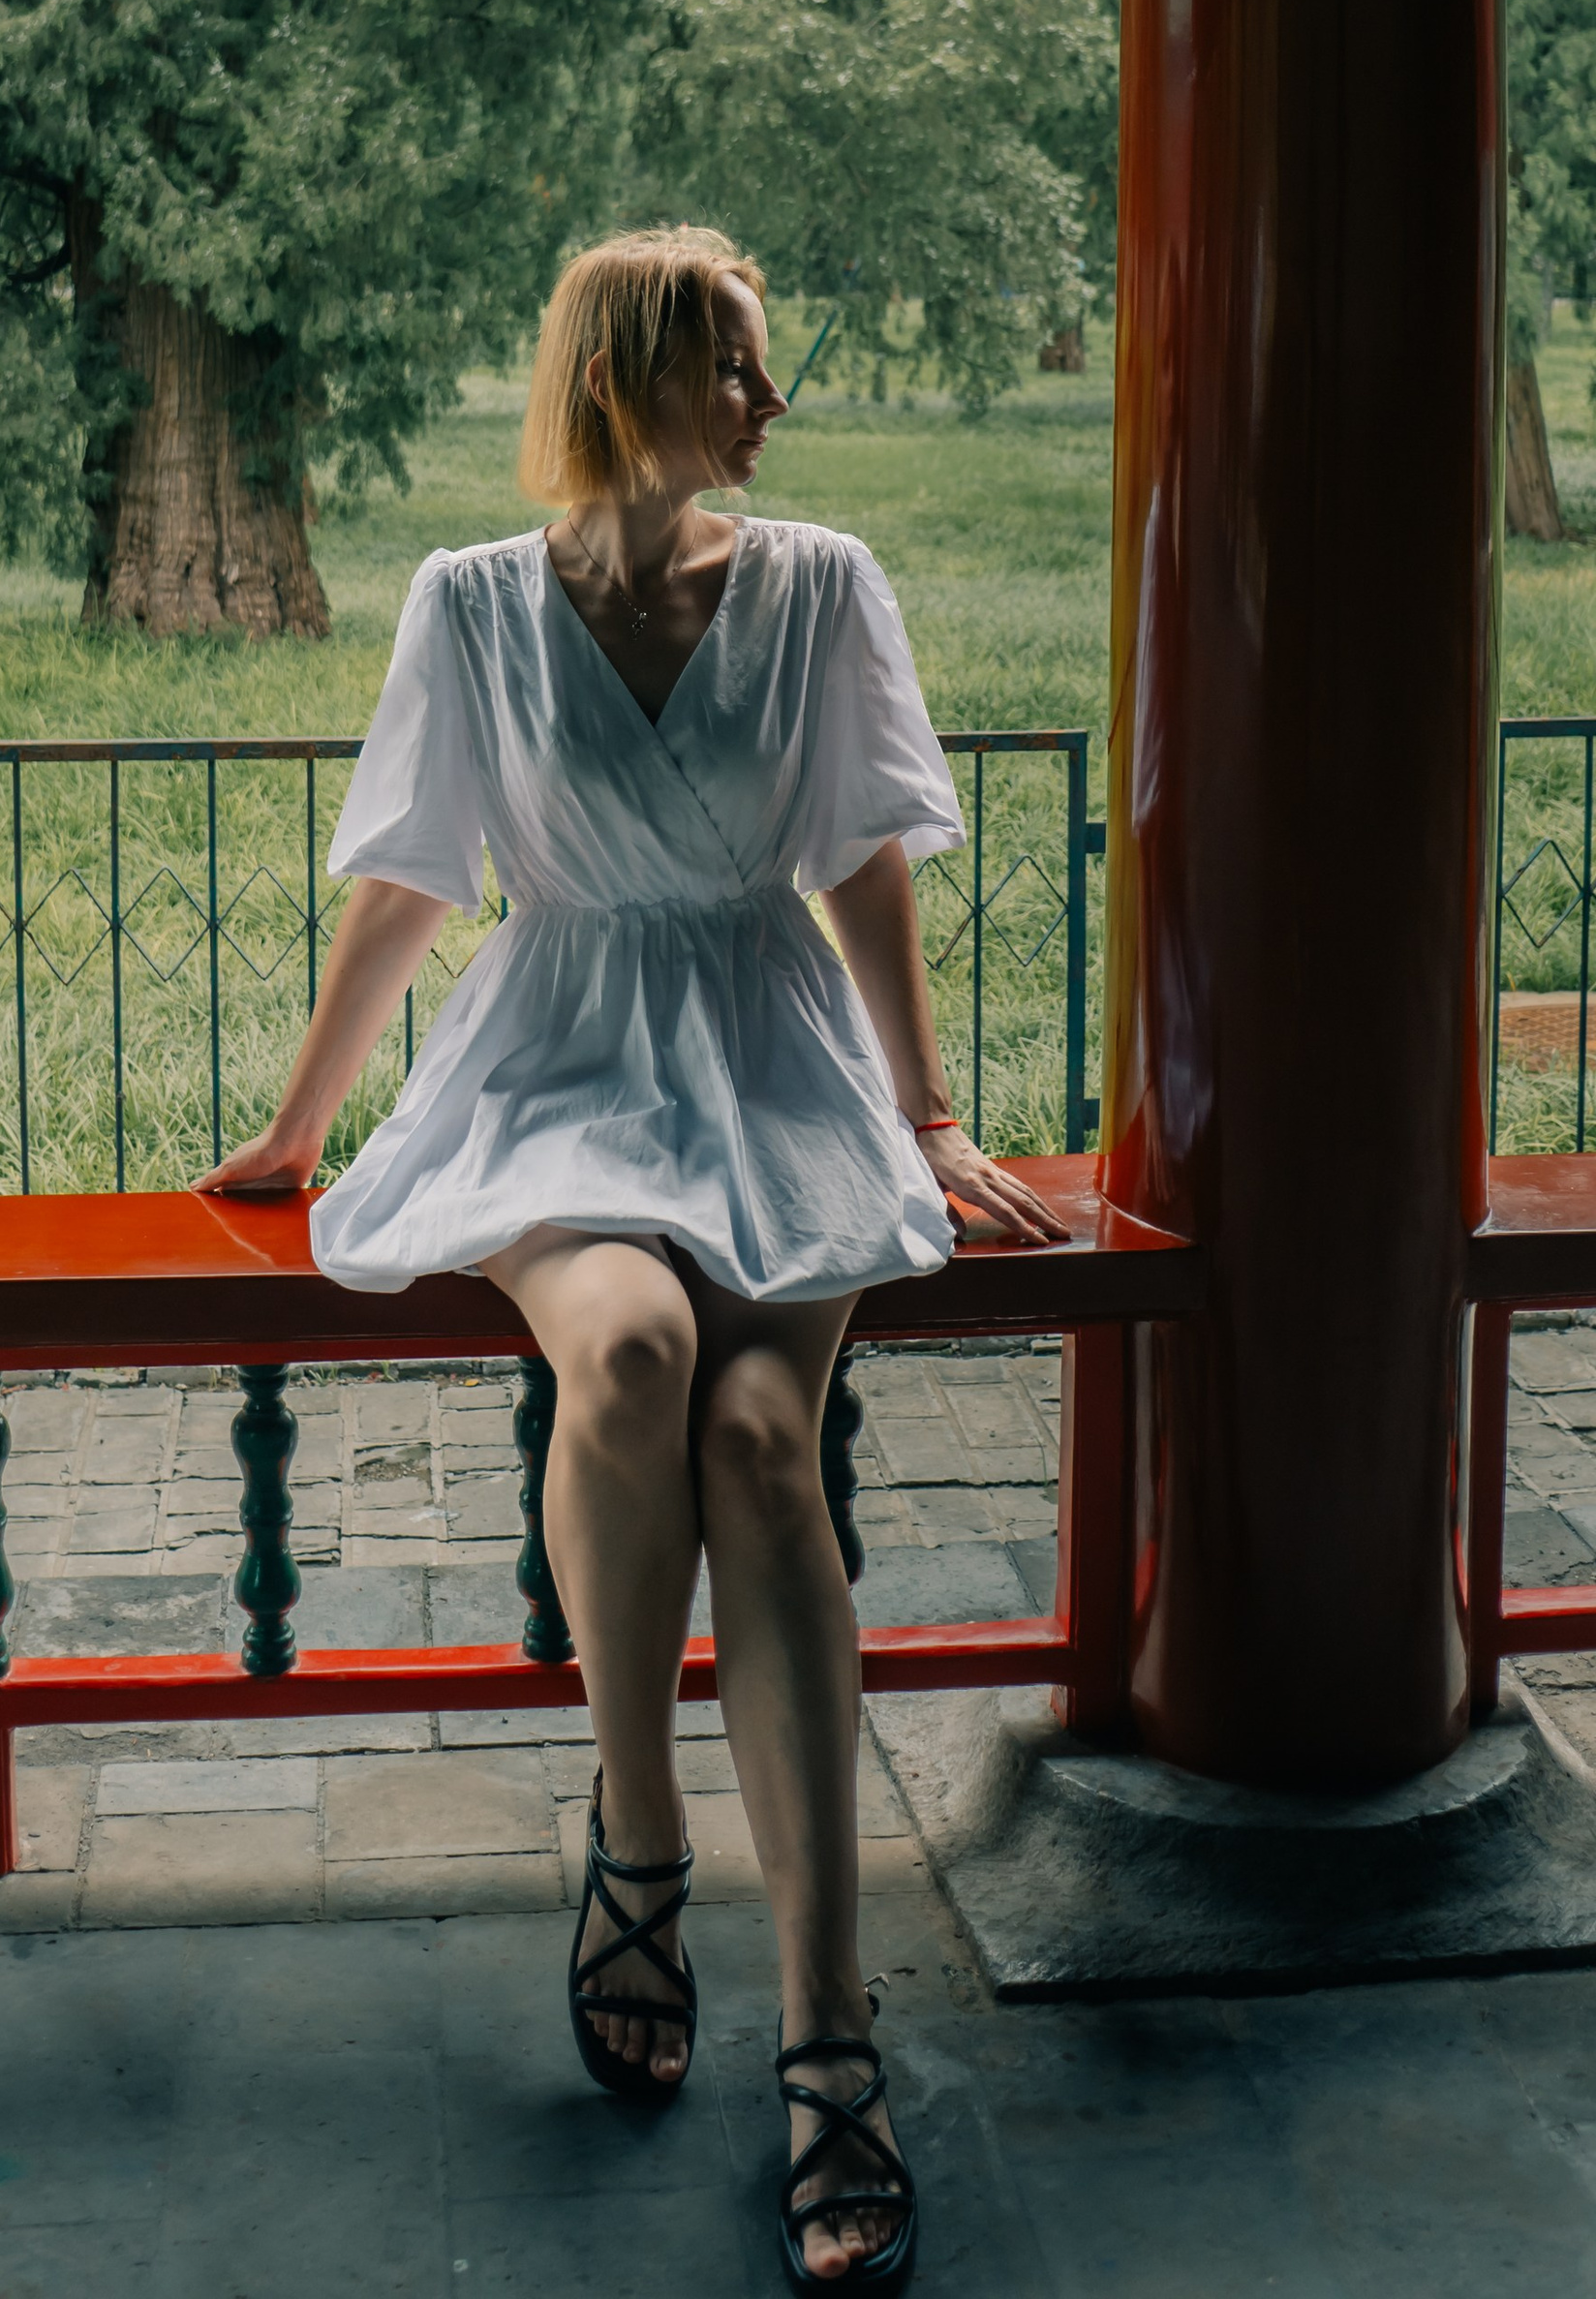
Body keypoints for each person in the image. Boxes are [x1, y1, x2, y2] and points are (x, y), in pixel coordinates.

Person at [198, 224, 1059, 2284]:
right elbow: (411, 883)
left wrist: (931, 1114)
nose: (772, 400)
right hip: (558, 1065)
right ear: (626, 378)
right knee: (635, 1357)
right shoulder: (472, 604)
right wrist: (304, 1126)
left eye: (764, 365)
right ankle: (642, 1838)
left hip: (771, 1061)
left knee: (763, 1441)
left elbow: (859, 863)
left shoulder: (822, 585)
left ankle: (828, 2032)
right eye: (736, 365)